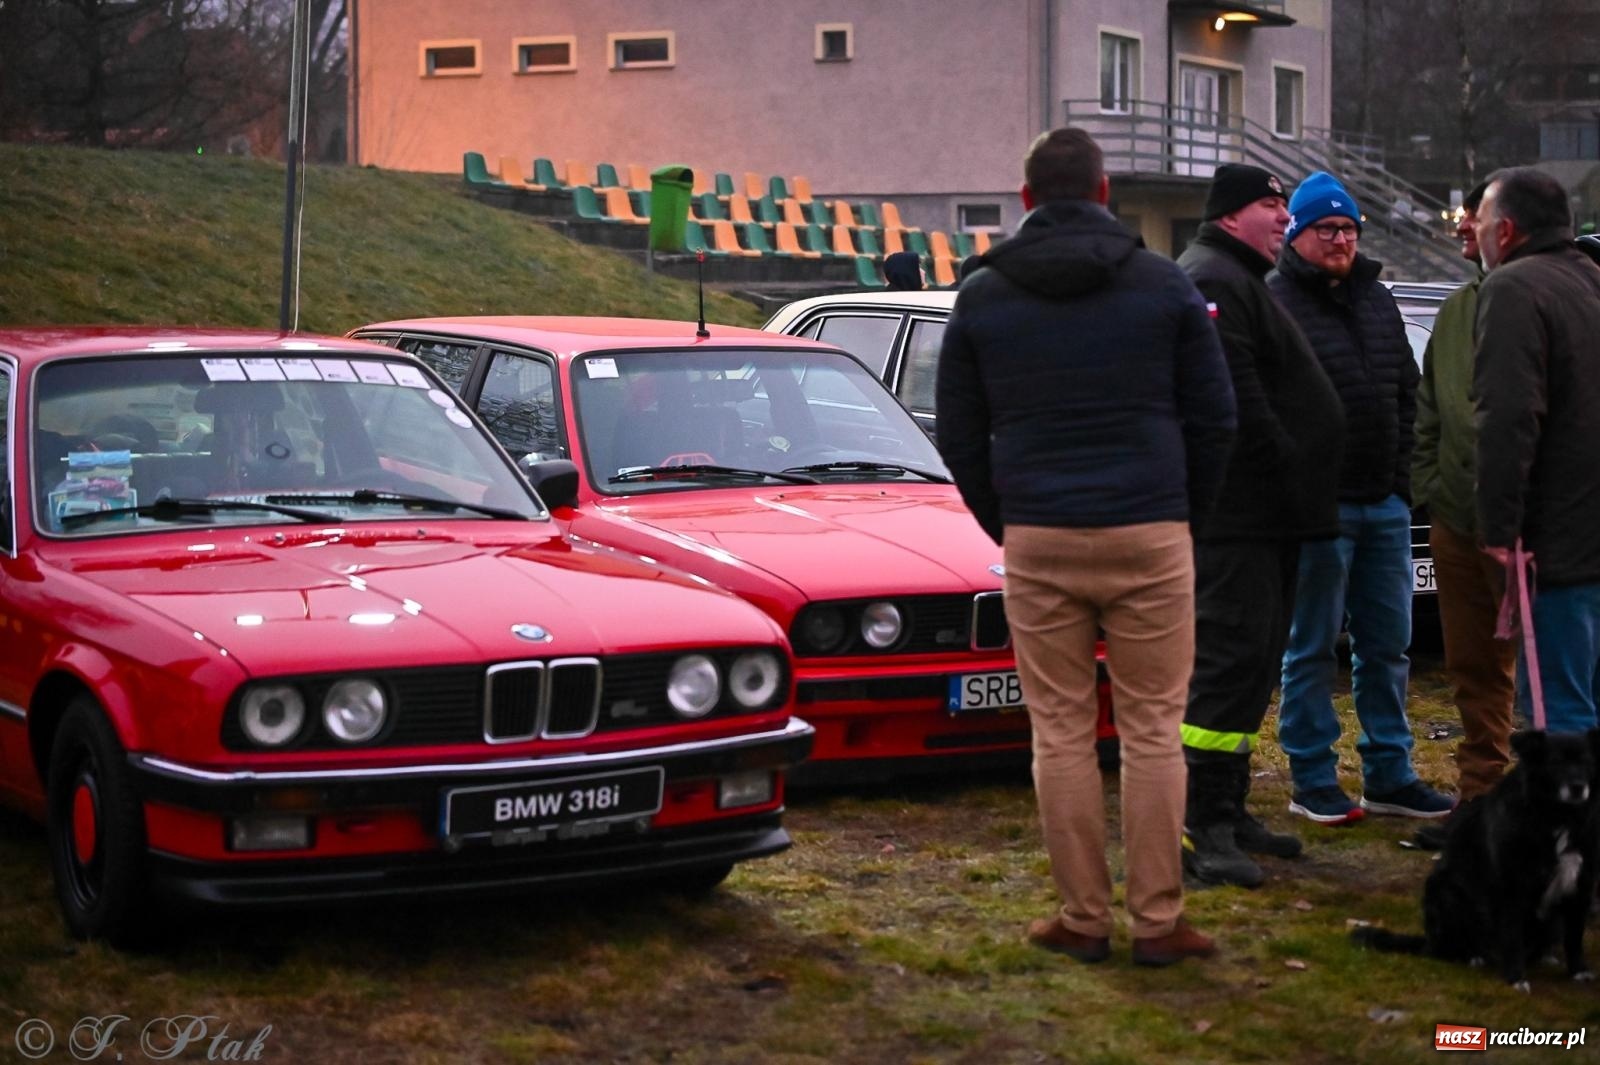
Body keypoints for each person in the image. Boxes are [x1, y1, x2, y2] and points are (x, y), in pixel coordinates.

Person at [937, 127, 1236, 966]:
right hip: (1152, 526)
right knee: (1152, 729)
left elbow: (959, 431)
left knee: (1059, 732)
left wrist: (1008, 518)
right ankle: (1158, 918)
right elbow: (1216, 416)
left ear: (1027, 199)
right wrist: (1185, 514)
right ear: (1105, 194)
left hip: (1039, 531)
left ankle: (1081, 916)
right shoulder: (1164, 284)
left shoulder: (985, 295)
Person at [1175, 164, 1344, 886]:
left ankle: (1230, 806)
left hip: (1269, 519)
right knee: (1226, 663)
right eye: (1269, 205)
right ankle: (1201, 823)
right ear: (1228, 214)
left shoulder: (1239, 275)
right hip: (1239, 517)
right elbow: (1235, 404)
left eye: (1283, 205)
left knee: (1251, 666)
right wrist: (1291, 465)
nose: (1283, 217)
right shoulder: (1214, 279)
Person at [1268, 171, 1453, 826]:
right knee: (1312, 645)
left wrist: (1403, 481)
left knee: (1388, 643)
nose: (1342, 238)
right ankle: (1312, 777)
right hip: (1319, 511)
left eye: (1349, 228)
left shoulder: (1376, 300)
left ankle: (1390, 772)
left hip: (1384, 503)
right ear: (1298, 234)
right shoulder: (1276, 302)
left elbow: (1409, 390)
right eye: (1328, 228)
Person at [1409, 181, 1517, 850]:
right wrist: (1432, 487)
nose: (1460, 232)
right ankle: (1480, 804)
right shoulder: (1456, 310)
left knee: (1547, 677)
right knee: (1474, 669)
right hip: (1457, 521)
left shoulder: (1551, 296)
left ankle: (1553, 813)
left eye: (1471, 220)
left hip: (1535, 530)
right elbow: (1429, 407)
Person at [1474, 167, 1600, 735]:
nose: (1471, 233)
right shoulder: (1590, 281)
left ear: (1505, 231)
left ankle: (1567, 824)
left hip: (1556, 545)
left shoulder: (1514, 287)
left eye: (1477, 221)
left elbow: (1508, 417)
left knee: (1560, 720)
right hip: (1590, 539)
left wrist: (1498, 530)